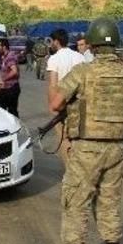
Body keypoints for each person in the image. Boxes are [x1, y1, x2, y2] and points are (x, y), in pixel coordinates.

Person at [49, 19, 123, 244]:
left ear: (91, 45)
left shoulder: (82, 72)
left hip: (86, 150)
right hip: (116, 148)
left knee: (75, 204)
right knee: (109, 205)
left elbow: (55, 104)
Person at [47, 29, 86, 164]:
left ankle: (70, 170)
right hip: (80, 105)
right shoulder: (80, 57)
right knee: (78, 138)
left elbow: (53, 84)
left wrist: (53, 106)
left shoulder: (54, 59)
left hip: (61, 103)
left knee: (64, 139)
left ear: (56, 42)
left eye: (51, 41)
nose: (50, 44)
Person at [0, 39, 21, 117]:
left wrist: (3, 79)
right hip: (5, 88)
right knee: (1, 110)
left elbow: (14, 71)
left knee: (12, 111)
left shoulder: (10, 57)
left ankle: (15, 124)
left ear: (4, 47)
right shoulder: (3, 56)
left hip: (11, 88)